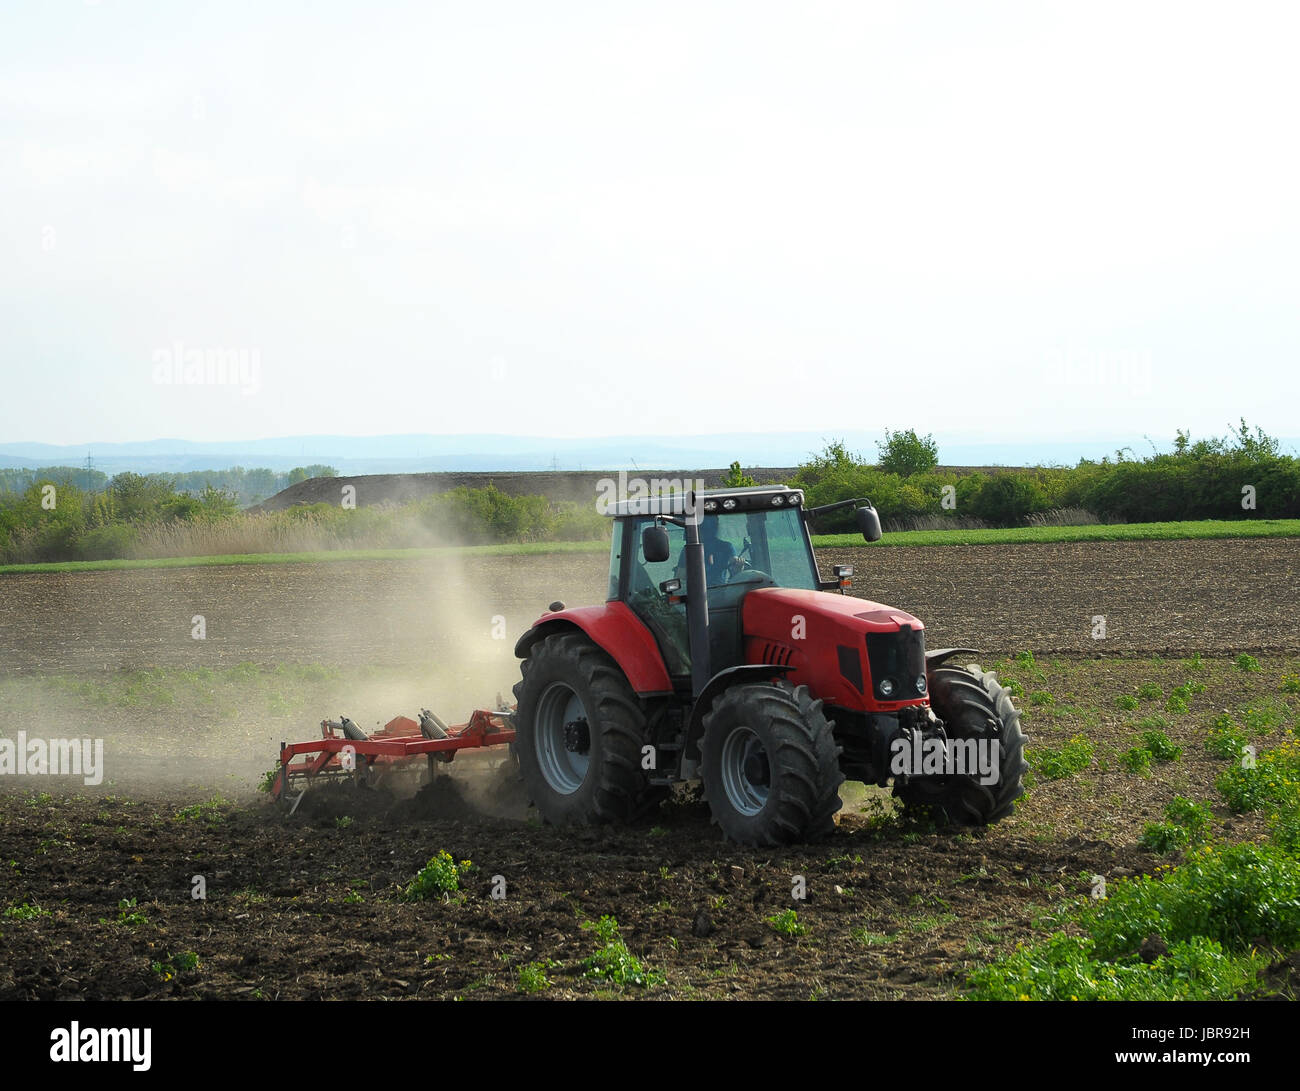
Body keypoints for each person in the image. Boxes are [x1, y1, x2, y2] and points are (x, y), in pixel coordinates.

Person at [675, 517, 741, 586]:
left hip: (720, 592)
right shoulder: (689, 550)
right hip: (697, 593)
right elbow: (681, 578)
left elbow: (734, 568)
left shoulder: (727, 547)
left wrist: (738, 567)